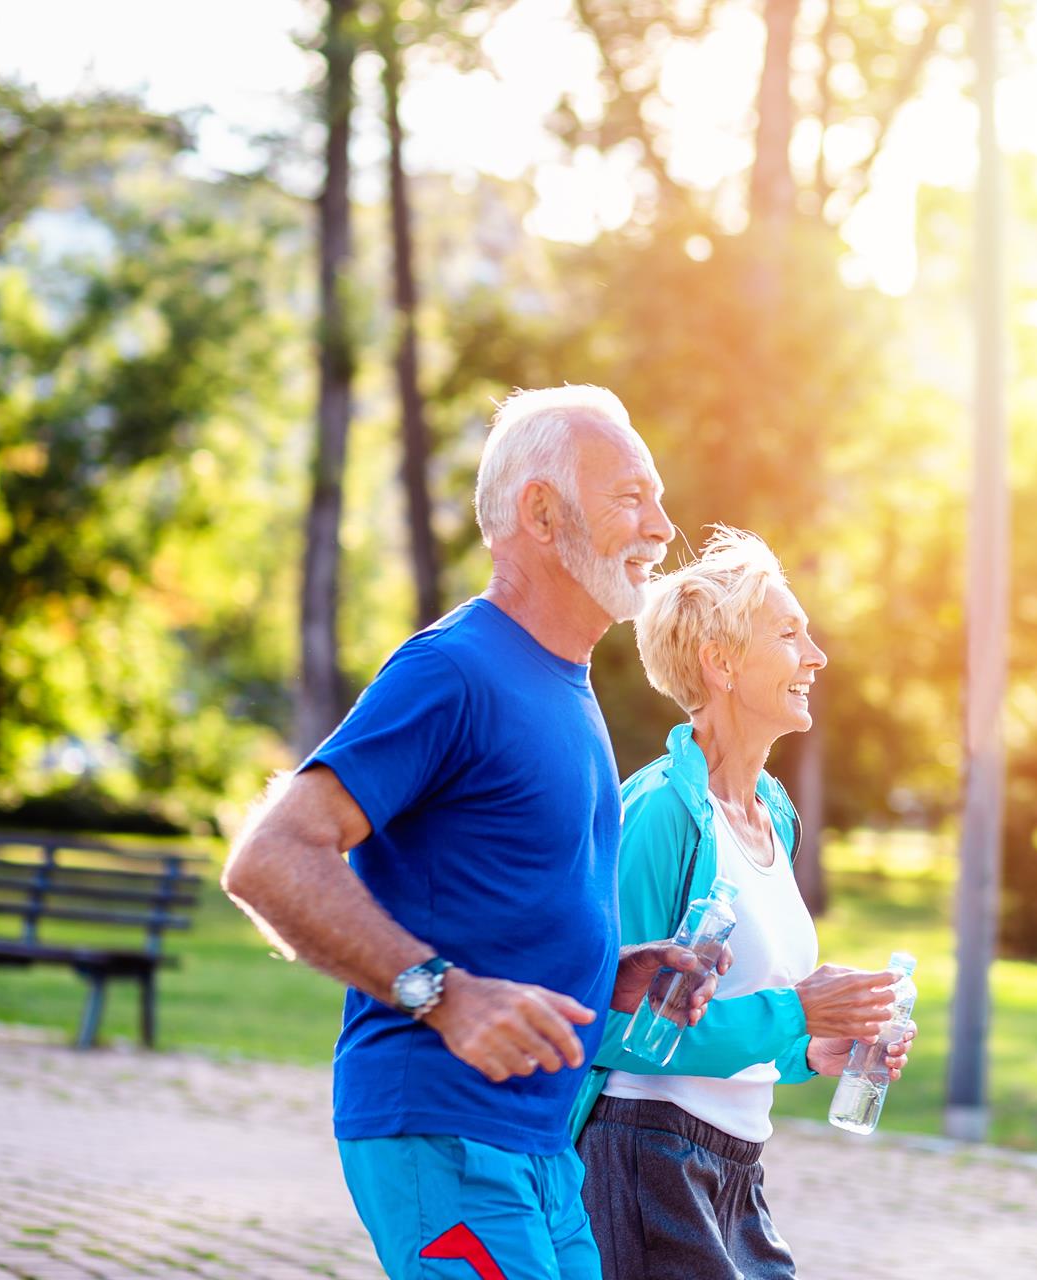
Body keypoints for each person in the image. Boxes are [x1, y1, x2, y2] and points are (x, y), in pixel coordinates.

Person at [222, 385, 723, 1280]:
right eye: (630, 497)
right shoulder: (453, 669)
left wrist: (616, 972)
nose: (661, 524)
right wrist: (444, 996)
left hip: (540, 1148)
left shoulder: (567, 687)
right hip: (445, 1134)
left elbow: (491, 903)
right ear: (541, 510)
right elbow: (270, 857)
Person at [569, 527, 918, 1280]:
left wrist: (814, 1050)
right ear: (720, 663)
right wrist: (798, 1013)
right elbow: (608, 1026)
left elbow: (737, 1018)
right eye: (790, 635)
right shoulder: (660, 814)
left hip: (734, 1164)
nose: (816, 656)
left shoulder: (773, 813)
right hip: (644, 1155)